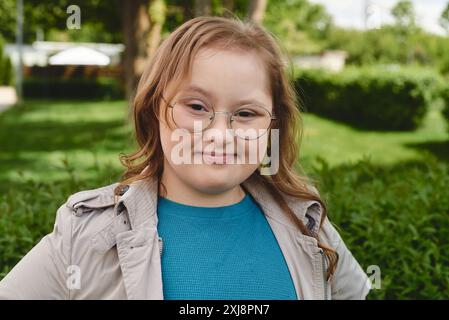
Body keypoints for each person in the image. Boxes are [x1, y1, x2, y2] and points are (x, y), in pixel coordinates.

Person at [0, 16, 371, 300]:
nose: (219, 134)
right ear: (152, 111)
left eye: (246, 114)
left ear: (273, 127)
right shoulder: (86, 235)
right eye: (196, 106)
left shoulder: (308, 223)